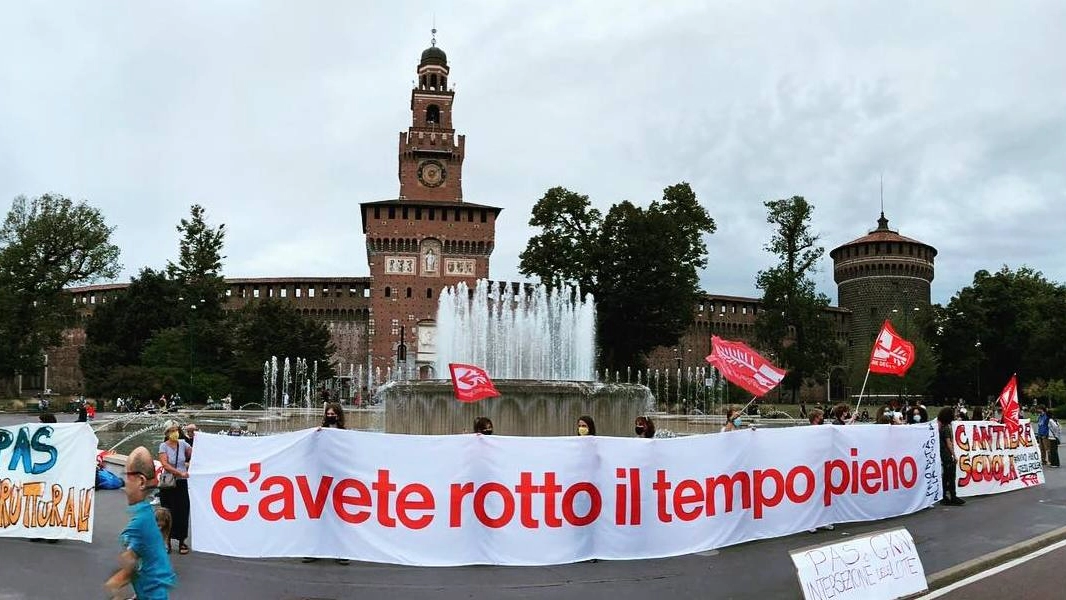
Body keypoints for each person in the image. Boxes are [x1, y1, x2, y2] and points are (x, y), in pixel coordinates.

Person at [105, 446, 176, 600]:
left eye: (127, 476)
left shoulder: (140, 522)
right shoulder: (146, 515)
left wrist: (115, 586)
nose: (124, 483)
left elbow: (128, 563)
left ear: (141, 481)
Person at [305, 403, 349, 565]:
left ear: (338, 415)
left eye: (333, 414)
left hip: (339, 479)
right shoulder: (320, 432)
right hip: (322, 478)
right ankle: (316, 549)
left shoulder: (344, 434)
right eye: (328, 414)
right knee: (319, 515)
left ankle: (341, 551)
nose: (331, 416)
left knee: (339, 515)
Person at [158, 423, 192, 555]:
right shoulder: (163, 446)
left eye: (176, 430)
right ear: (167, 433)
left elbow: (196, 453)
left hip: (182, 483)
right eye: (172, 431)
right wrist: (179, 472)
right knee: (167, 513)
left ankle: (182, 541)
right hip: (169, 484)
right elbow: (165, 464)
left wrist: (195, 435)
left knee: (182, 512)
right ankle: (167, 542)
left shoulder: (183, 444)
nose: (175, 433)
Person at [937, 407, 965, 506]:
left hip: (943, 455)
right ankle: (953, 496)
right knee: (951, 476)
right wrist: (954, 455)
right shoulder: (947, 428)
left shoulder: (941, 427)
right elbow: (949, 443)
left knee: (945, 477)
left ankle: (944, 497)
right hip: (947, 455)